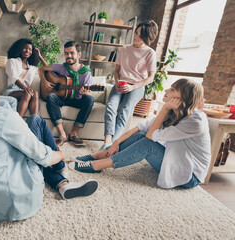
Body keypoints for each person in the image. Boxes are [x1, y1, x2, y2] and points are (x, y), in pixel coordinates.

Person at [0, 63, 98, 222]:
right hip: (18, 201)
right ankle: (61, 171)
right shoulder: (4, 117)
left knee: (28, 135)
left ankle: (62, 184)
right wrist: (61, 154)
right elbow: (42, 156)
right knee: (36, 121)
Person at [75, 78, 211, 189]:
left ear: (183, 99)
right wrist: (115, 143)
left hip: (189, 175)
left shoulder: (195, 122)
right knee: (139, 136)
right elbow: (139, 128)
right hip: (176, 162)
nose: (166, 90)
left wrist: (164, 109)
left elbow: (150, 136)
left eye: (173, 90)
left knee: (147, 144)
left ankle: (97, 166)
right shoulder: (174, 113)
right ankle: (98, 155)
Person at [101, 20, 159, 150]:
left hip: (137, 87)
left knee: (124, 112)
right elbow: (116, 71)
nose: (135, 36)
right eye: (135, 33)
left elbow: (150, 78)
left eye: (139, 35)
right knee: (110, 106)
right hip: (121, 83)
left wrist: (132, 87)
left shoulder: (150, 53)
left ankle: (110, 147)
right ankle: (107, 141)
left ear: (147, 37)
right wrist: (117, 82)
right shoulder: (124, 49)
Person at [39, 41, 94, 147]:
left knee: (89, 100)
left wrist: (86, 92)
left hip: (78, 99)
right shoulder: (61, 67)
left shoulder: (86, 72)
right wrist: (45, 82)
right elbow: (41, 69)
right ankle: (62, 135)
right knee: (51, 97)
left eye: (72, 53)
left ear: (79, 54)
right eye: (66, 53)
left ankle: (73, 133)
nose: (69, 56)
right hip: (63, 98)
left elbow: (89, 91)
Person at [2, 38, 46, 117]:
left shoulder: (33, 68)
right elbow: (13, 77)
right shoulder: (11, 61)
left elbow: (48, 69)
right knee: (27, 93)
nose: (27, 51)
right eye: (25, 48)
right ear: (20, 49)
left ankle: (34, 121)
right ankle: (18, 121)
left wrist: (40, 56)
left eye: (30, 49)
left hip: (25, 91)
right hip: (11, 90)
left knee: (35, 93)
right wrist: (25, 88)